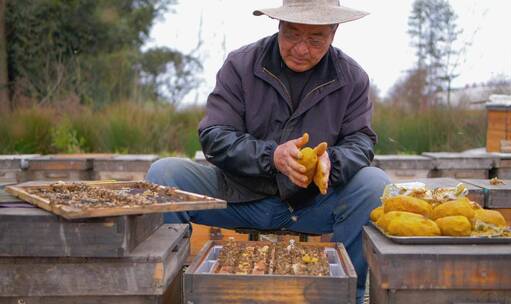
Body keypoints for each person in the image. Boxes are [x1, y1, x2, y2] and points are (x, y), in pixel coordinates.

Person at [146, 0, 390, 302]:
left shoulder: (352, 77)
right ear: (279, 25)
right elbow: (214, 135)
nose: (301, 49)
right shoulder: (241, 64)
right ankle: (170, 293)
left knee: (374, 184)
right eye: (293, 34)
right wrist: (271, 156)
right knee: (164, 174)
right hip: (238, 195)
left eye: (316, 39)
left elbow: (361, 142)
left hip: (310, 205)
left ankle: (345, 295)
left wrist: (331, 162)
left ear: (334, 32)